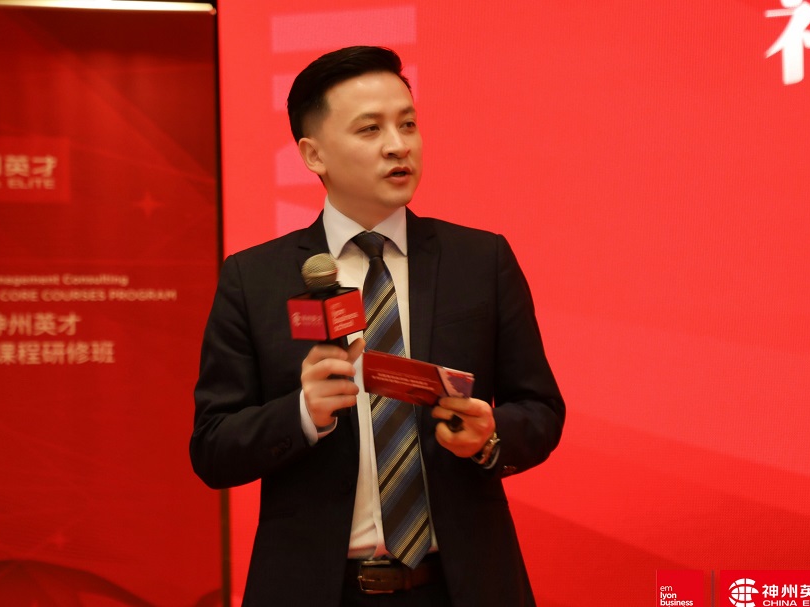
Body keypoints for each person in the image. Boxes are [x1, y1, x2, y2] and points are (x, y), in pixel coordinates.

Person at [190, 46, 564, 607]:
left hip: (461, 587)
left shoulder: (479, 261)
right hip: (318, 591)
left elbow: (540, 409)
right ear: (313, 154)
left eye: (407, 124)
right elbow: (213, 447)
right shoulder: (254, 278)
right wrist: (302, 414)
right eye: (370, 129)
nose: (398, 144)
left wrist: (490, 436)